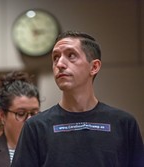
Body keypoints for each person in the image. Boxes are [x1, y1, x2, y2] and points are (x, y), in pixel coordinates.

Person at [11, 31, 144, 167]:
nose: (60, 64)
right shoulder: (36, 127)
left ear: (94, 67)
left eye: (71, 55)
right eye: (56, 57)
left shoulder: (124, 124)